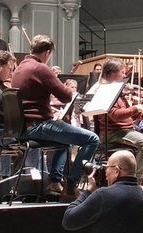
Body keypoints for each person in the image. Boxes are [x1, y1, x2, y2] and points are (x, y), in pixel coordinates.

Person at [11, 34, 99, 197]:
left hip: (24, 127)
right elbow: (66, 96)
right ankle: (72, 182)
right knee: (92, 139)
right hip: (39, 125)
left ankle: (55, 181)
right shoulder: (41, 68)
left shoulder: (20, 68)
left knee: (65, 142)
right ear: (47, 53)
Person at [94, 60, 143, 185]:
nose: (125, 76)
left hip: (124, 131)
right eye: (122, 72)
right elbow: (115, 116)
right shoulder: (106, 91)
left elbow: (132, 116)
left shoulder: (117, 91)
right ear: (112, 73)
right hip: (114, 133)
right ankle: (135, 180)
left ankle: (133, 178)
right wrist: (135, 108)